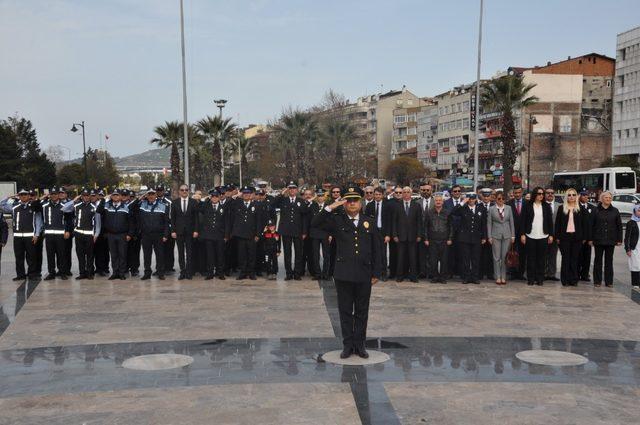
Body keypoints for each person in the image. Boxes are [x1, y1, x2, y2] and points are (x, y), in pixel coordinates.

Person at [311, 186, 383, 359]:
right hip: (343, 273)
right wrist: (332, 206)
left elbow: (377, 249)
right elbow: (315, 223)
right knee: (344, 311)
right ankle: (347, 345)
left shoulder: (369, 221)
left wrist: (377, 272)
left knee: (361, 311)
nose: (352, 204)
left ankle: (360, 345)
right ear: (344, 203)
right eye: (348, 200)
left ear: (361, 202)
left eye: (355, 200)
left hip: (364, 273)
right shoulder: (337, 221)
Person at [0, 189, 43, 281]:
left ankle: (32, 274)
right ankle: (20, 275)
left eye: (25, 195)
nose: (23, 196)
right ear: (19, 196)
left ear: (28, 196)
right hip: (18, 236)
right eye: (21, 195)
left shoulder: (34, 206)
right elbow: (1, 205)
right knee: (19, 257)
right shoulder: (14, 207)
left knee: (31, 257)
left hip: (30, 236)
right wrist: (9, 198)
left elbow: (38, 221)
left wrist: (37, 234)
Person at [273, 182, 308, 280]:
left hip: (298, 230)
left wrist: (304, 231)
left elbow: (304, 217)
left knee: (298, 253)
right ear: (288, 190)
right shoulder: (283, 200)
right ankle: (288, 273)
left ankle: (297, 273)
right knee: (287, 253)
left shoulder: (301, 201)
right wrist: (281, 194)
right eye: (290, 188)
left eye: (294, 188)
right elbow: (273, 204)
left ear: (297, 190)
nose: (292, 190)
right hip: (286, 230)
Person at [64, 189, 101, 280]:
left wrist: (96, 234)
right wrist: (74, 200)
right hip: (78, 233)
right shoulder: (76, 205)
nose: (86, 197)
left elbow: (98, 222)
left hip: (89, 234)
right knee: (80, 254)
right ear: (81, 196)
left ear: (90, 196)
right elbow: (64, 208)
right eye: (84, 195)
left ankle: (89, 273)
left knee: (89, 255)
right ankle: (82, 273)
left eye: (87, 195)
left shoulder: (95, 206)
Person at [229, 186, 265, 280]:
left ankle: (251, 272)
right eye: (244, 194)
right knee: (242, 255)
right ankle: (243, 272)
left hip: (252, 234)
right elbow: (230, 201)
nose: (246, 195)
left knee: (251, 254)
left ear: (251, 195)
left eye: (248, 194)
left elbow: (258, 221)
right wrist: (238, 194)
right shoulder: (238, 203)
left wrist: (258, 234)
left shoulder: (256, 205)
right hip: (240, 234)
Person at [520, 187, 553, 286]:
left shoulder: (546, 206)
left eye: (542, 194)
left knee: (541, 259)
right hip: (530, 235)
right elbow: (523, 221)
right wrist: (522, 234)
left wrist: (551, 235)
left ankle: (540, 279)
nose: (541, 195)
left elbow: (550, 222)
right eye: (539, 194)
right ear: (535, 194)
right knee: (531, 258)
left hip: (543, 235)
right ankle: (531, 278)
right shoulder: (527, 205)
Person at [451, 193, 487, 284]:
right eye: (469, 199)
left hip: (476, 237)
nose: (471, 201)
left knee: (475, 258)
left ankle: (475, 277)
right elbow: (453, 212)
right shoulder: (463, 208)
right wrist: (462, 202)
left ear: (475, 199)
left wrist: (484, 237)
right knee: (466, 258)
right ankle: (466, 277)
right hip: (465, 237)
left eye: (473, 199)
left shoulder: (481, 209)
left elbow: (484, 224)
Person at [555, 188, 587, 286]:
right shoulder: (561, 208)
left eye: (573, 195)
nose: (571, 197)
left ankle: (573, 279)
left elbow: (585, 224)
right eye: (569, 195)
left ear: (576, 196)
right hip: (564, 237)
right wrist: (557, 237)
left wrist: (584, 237)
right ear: (566, 197)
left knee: (574, 259)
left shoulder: (581, 209)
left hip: (577, 238)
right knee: (566, 259)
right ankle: (565, 280)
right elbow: (557, 224)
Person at [590, 191, 622, 287]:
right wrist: (590, 239)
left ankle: (609, 282)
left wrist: (619, 239)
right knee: (598, 261)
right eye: (606, 197)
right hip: (598, 239)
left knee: (609, 261)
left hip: (611, 240)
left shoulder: (615, 211)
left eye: (609, 198)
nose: (608, 199)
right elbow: (591, 225)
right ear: (601, 199)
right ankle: (597, 281)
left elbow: (619, 226)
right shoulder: (596, 210)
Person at [41, 187, 73, 280]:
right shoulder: (44, 205)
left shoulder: (65, 205)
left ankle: (62, 272)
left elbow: (68, 220)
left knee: (61, 254)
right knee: (50, 254)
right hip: (49, 233)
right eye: (52, 194)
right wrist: (43, 197)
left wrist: (67, 230)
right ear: (50, 195)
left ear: (58, 195)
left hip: (60, 233)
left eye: (55, 194)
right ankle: (51, 272)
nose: (54, 196)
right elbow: (35, 206)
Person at [392, 186, 422, 282]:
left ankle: (413, 276)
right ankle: (400, 276)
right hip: (401, 236)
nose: (405, 194)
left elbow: (419, 222)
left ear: (411, 193)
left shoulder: (416, 206)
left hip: (413, 236)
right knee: (400, 258)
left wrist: (419, 235)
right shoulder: (397, 206)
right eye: (404, 192)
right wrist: (395, 235)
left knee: (413, 258)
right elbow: (394, 222)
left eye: (407, 192)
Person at [138, 188, 170, 280]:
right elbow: (132, 206)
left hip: (158, 234)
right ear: (147, 196)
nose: (151, 196)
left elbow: (166, 222)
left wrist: (165, 235)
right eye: (149, 194)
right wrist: (141, 197)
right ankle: (147, 273)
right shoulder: (142, 205)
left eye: (153, 194)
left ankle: (160, 273)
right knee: (147, 255)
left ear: (156, 195)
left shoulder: (163, 206)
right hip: (146, 234)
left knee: (160, 254)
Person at [102, 189, 134, 280]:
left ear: (120, 196)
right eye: (114, 195)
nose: (115, 197)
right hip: (111, 235)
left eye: (117, 195)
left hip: (122, 235)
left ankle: (122, 273)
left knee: (122, 254)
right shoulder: (107, 206)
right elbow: (99, 211)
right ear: (111, 196)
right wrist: (104, 199)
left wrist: (130, 234)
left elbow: (131, 222)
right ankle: (115, 272)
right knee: (114, 254)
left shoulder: (126, 207)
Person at [197, 189, 229, 280]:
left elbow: (227, 222)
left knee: (220, 255)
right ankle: (210, 273)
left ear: (219, 197)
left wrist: (226, 235)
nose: (214, 198)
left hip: (220, 235)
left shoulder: (224, 207)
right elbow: (198, 207)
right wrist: (205, 199)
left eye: (216, 196)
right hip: (209, 235)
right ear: (210, 197)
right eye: (213, 196)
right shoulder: (206, 206)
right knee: (210, 255)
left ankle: (220, 273)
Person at [171, 184, 199, 280]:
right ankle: (182, 271)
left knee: (189, 253)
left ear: (188, 191)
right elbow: (173, 218)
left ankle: (189, 272)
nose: (184, 191)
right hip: (179, 232)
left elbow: (196, 218)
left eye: (186, 190)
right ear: (179, 191)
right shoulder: (174, 203)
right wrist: (173, 231)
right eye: (182, 190)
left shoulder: (193, 202)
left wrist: (196, 230)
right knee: (180, 253)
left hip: (190, 232)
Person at [487, 192, 515, 285]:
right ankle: (497, 276)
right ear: (496, 199)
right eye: (499, 199)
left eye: (503, 198)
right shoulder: (491, 209)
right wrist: (489, 236)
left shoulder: (509, 208)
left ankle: (503, 276)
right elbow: (489, 223)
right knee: (496, 257)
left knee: (504, 257)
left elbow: (511, 222)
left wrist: (513, 235)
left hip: (507, 235)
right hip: (495, 235)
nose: (501, 200)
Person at [423, 194, 452, 284]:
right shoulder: (429, 212)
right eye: (436, 200)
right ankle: (435, 276)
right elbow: (425, 227)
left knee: (444, 259)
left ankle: (443, 277)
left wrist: (450, 238)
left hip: (444, 239)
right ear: (434, 202)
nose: (438, 202)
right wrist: (426, 239)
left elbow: (451, 226)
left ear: (442, 202)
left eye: (440, 200)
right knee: (433, 259)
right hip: (432, 239)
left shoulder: (447, 212)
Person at [364, 187, 392, 281]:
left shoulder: (387, 205)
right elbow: (366, 220)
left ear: (382, 195)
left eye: (379, 194)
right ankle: (374, 273)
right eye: (376, 194)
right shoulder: (370, 205)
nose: (378, 196)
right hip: (372, 232)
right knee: (372, 253)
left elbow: (389, 221)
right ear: (374, 195)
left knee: (383, 254)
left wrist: (388, 234)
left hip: (383, 232)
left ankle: (383, 274)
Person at [308, 191, 331, 280]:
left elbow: (330, 220)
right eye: (318, 196)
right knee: (315, 255)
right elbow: (310, 218)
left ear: (324, 197)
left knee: (326, 255)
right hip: (315, 233)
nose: (320, 197)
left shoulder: (328, 206)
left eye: (322, 196)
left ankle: (325, 274)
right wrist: (311, 199)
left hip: (325, 233)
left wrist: (330, 233)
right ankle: (317, 273)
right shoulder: (313, 206)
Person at [506, 186, 526, 280]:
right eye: (515, 193)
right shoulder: (508, 204)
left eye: (519, 192)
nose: (517, 195)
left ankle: (521, 273)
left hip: (523, 233)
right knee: (512, 252)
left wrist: (525, 233)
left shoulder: (527, 203)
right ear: (513, 193)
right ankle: (512, 273)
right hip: (511, 233)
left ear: (522, 192)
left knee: (522, 254)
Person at [444, 184, 463, 278]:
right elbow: (449, 213)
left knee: (461, 252)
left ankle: (459, 271)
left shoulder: (465, 202)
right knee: (450, 252)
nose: (457, 193)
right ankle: (449, 272)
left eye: (459, 191)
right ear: (451, 193)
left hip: (461, 230)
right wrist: (461, 205)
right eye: (455, 191)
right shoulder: (446, 202)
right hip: (450, 230)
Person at [577, 189, 596, 282]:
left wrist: (591, 238)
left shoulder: (592, 208)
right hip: (578, 237)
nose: (585, 197)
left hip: (588, 238)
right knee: (577, 257)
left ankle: (585, 274)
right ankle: (576, 274)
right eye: (583, 195)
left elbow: (594, 224)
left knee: (587, 257)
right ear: (579, 195)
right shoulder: (576, 206)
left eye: (587, 195)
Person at [544, 188, 561, 281]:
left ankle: (551, 274)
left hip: (555, 234)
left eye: (552, 193)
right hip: (543, 234)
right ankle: (543, 273)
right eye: (548, 193)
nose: (550, 194)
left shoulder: (559, 206)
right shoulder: (541, 205)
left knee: (553, 254)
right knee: (543, 254)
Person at [417, 182, 433, 279]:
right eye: (424, 190)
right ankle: (422, 271)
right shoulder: (417, 202)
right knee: (421, 254)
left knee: (431, 254)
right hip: (421, 233)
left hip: (432, 233)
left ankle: (431, 271)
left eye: (427, 190)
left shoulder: (436, 202)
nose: (425, 192)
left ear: (431, 191)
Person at [625, 204, 640, 289]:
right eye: (639, 210)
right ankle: (635, 283)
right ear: (634, 211)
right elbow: (627, 237)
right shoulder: (631, 223)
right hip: (635, 247)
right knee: (635, 264)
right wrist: (628, 249)